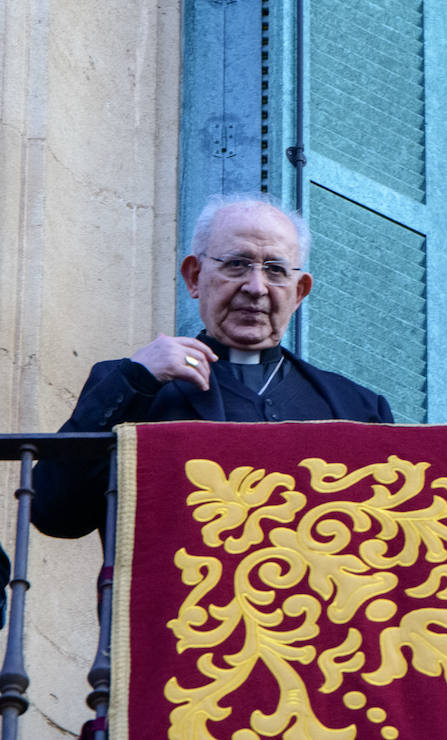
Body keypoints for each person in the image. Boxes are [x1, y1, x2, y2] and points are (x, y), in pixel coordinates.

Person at [34, 193, 393, 539]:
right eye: (236, 264)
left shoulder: (358, 408)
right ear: (194, 277)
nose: (256, 287)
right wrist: (134, 379)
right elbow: (56, 515)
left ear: (298, 292)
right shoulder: (133, 385)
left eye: (275, 270)